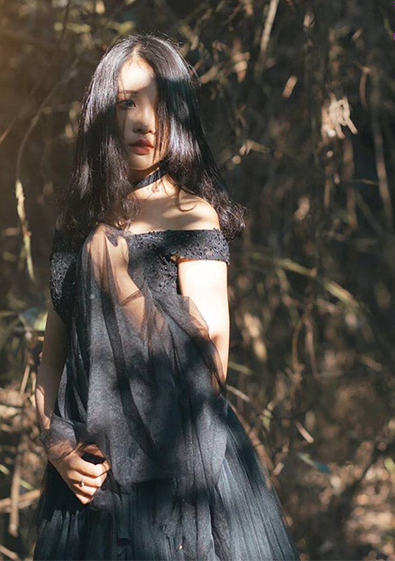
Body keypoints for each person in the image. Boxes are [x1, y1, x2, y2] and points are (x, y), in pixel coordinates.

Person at [31, 32, 301, 560]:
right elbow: (51, 360)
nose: (144, 121)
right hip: (91, 490)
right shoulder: (77, 224)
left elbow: (210, 370)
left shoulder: (191, 215)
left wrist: (118, 279)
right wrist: (56, 446)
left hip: (184, 483)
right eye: (126, 103)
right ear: (101, 114)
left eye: (159, 104)